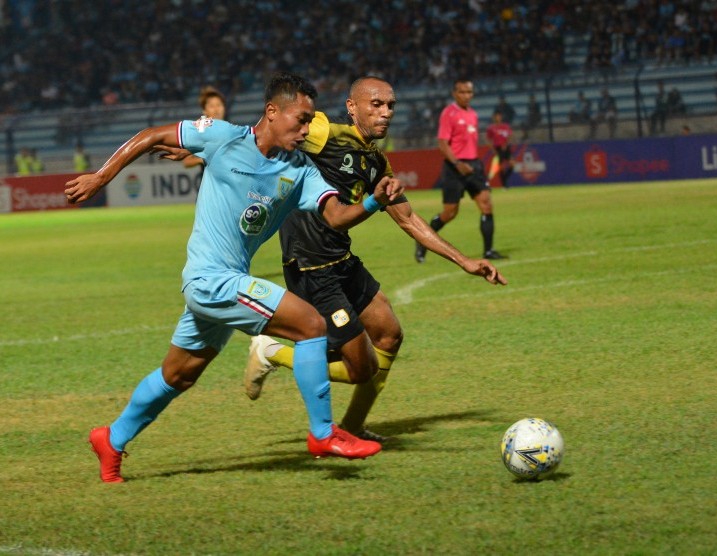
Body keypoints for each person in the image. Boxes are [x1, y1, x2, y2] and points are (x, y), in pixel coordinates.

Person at [64, 72, 402, 483]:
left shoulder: (300, 171)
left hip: (226, 283)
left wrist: (371, 200)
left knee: (179, 375)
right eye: (301, 118)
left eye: (311, 119)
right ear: (272, 112)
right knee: (311, 325)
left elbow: (336, 216)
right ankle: (323, 434)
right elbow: (153, 135)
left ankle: (110, 439)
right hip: (210, 279)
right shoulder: (223, 137)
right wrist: (101, 177)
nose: (306, 128)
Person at [243, 77, 506, 440]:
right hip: (310, 265)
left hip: (340, 258)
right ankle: (271, 351)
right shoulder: (323, 132)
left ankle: (353, 426)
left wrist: (465, 261)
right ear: (352, 107)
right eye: (376, 104)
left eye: (391, 106)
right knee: (359, 367)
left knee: (389, 335)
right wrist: (206, 147)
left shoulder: (377, 162)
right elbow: (270, 126)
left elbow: (409, 219)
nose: (385, 113)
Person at [415, 79, 505, 263]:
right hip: (454, 168)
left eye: (469, 92)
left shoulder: (473, 114)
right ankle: (422, 242)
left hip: (474, 166)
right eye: (462, 92)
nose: (467, 95)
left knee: (486, 205)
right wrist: (457, 164)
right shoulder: (449, 113)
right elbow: (442, 144)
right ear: (455, 94)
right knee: (450, 213)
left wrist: (472, 163)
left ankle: (488, 251)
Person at [182, 86, 227, 168]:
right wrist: (203, 160)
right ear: (204, 111)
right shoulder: (201, 130)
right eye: (212, 106)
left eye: (219, 105)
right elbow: (187, 162)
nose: (216, 109)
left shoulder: (231, 129)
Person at [485, 110, 514, 188]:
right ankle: (504, 185)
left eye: (499, 116)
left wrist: (506, 144)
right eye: (496, 116)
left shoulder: (505, 126)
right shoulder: (491, 128)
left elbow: (510, 136)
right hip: (497, 148)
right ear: (494, 118)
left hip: (506, 147)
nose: (498, 118)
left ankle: (505, 179)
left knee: (512, 164)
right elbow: (488, 139)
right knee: (501, 167)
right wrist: (493, 149)